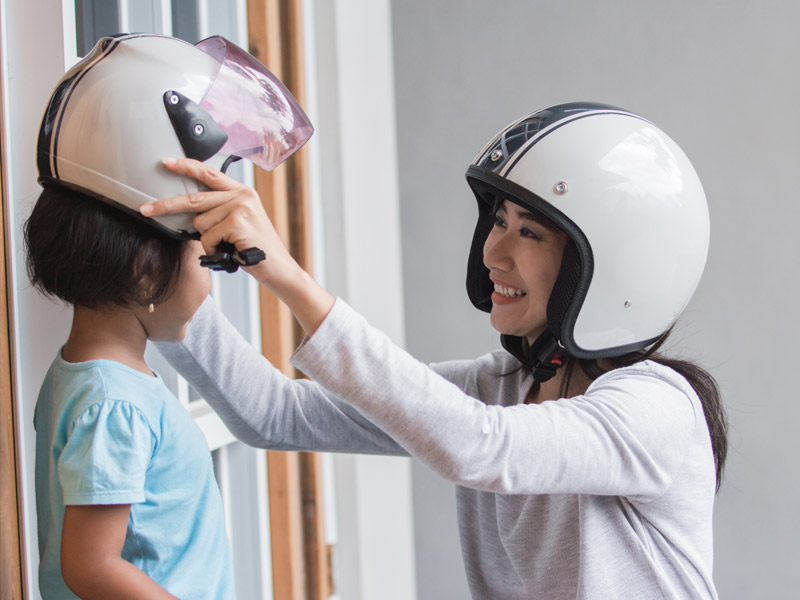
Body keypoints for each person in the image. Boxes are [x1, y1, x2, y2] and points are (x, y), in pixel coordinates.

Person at [144, 102, 728, 599]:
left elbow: (480, 448)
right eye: (498, 221)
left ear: (608, 269)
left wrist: (285, 275)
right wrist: (165, 287)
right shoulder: (498, 390)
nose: (493, 254)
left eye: (529, 232)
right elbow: (273, 413)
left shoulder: (658, 410)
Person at [26, 32, 312, 599]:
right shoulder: (115, 403)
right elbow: (91, 565)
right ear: (144, 268)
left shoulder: (92, 380)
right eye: (205, 255)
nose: (209, 279)